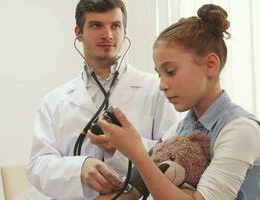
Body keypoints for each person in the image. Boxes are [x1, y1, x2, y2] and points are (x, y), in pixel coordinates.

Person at [97, 4, 260, 200]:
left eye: (170, 72)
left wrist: (137, 153)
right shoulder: (180, 130)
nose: (162, 85)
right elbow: (134, 189)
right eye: (159, 75)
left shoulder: (242, 131)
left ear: (211, 65)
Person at [25, 0, 178, 199]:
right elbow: (37, 166)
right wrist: (79, 168)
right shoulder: (54, 102)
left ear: (125, 31)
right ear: (78, 32)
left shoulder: (155, 89)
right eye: (96, 25)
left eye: (115, 25)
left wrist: (121, 148)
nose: (108, 34)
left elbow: (172, 155)